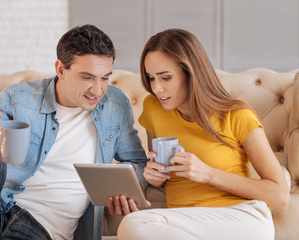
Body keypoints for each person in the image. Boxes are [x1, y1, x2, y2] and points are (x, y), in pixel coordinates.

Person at [0, 24, 148, 240]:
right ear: (60, 69)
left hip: (39, 228)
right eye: (87, 78)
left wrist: (126, 189)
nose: (97, 90)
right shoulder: (21, 97)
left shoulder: (115, 104)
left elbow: (138, 163)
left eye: (104, 78)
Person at [117, 29, 290, 240]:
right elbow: (163, 171)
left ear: (191, 73)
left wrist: (208, 173)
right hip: (185, 220)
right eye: (151, 78)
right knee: (134, 225)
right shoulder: (154, 108)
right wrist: (155, 176)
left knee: (135, 225)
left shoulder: (236, 114)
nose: (157, 88)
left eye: (165, 77)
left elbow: (280, 196)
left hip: (241, 216)